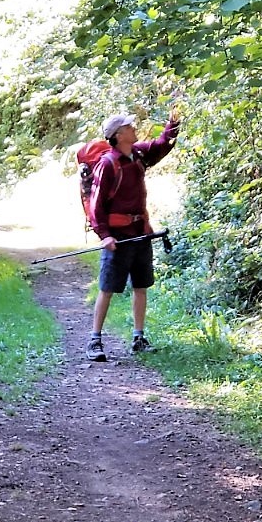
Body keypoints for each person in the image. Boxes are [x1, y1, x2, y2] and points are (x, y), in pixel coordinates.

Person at [85, 109, 180, 362]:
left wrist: (173, 124)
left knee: (141, 287)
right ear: (118, 135)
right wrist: (104, 235)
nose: (134, 128)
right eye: (129, 126)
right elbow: (96, 205)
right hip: (117, 238)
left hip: (141, 234)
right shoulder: (107, 164)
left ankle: (139, 338)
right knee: (107, 288)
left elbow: (161, 146)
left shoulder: (137, 154)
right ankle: (94, 340)